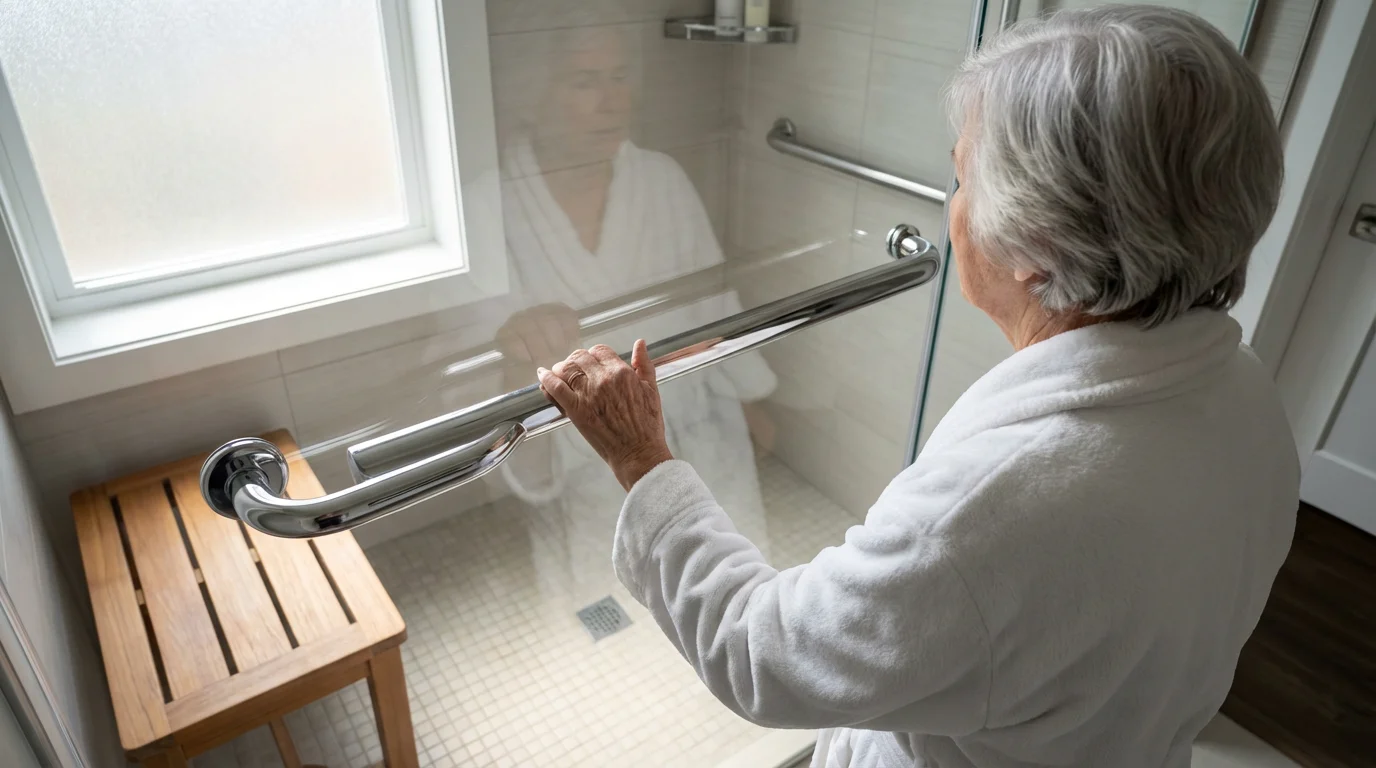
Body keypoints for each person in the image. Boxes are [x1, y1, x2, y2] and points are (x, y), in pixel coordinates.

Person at [534, 7, 1298, 767]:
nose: (951, 205)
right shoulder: (1248, 401)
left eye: (962, 176)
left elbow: (763, 653)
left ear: (1034, 244)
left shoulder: (996, 510)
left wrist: (640, 458)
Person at [485, 27, 777, 606]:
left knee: (728, 595)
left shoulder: (660, 177)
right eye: (584, 81)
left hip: (698, 430)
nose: (612, 100)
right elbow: (475, 353)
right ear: (533, 95)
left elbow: (715, 302)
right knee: (619, 613)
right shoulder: (490, 203)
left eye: (620, 77)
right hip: (587, 454)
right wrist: (510, 345)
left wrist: (752, 401)